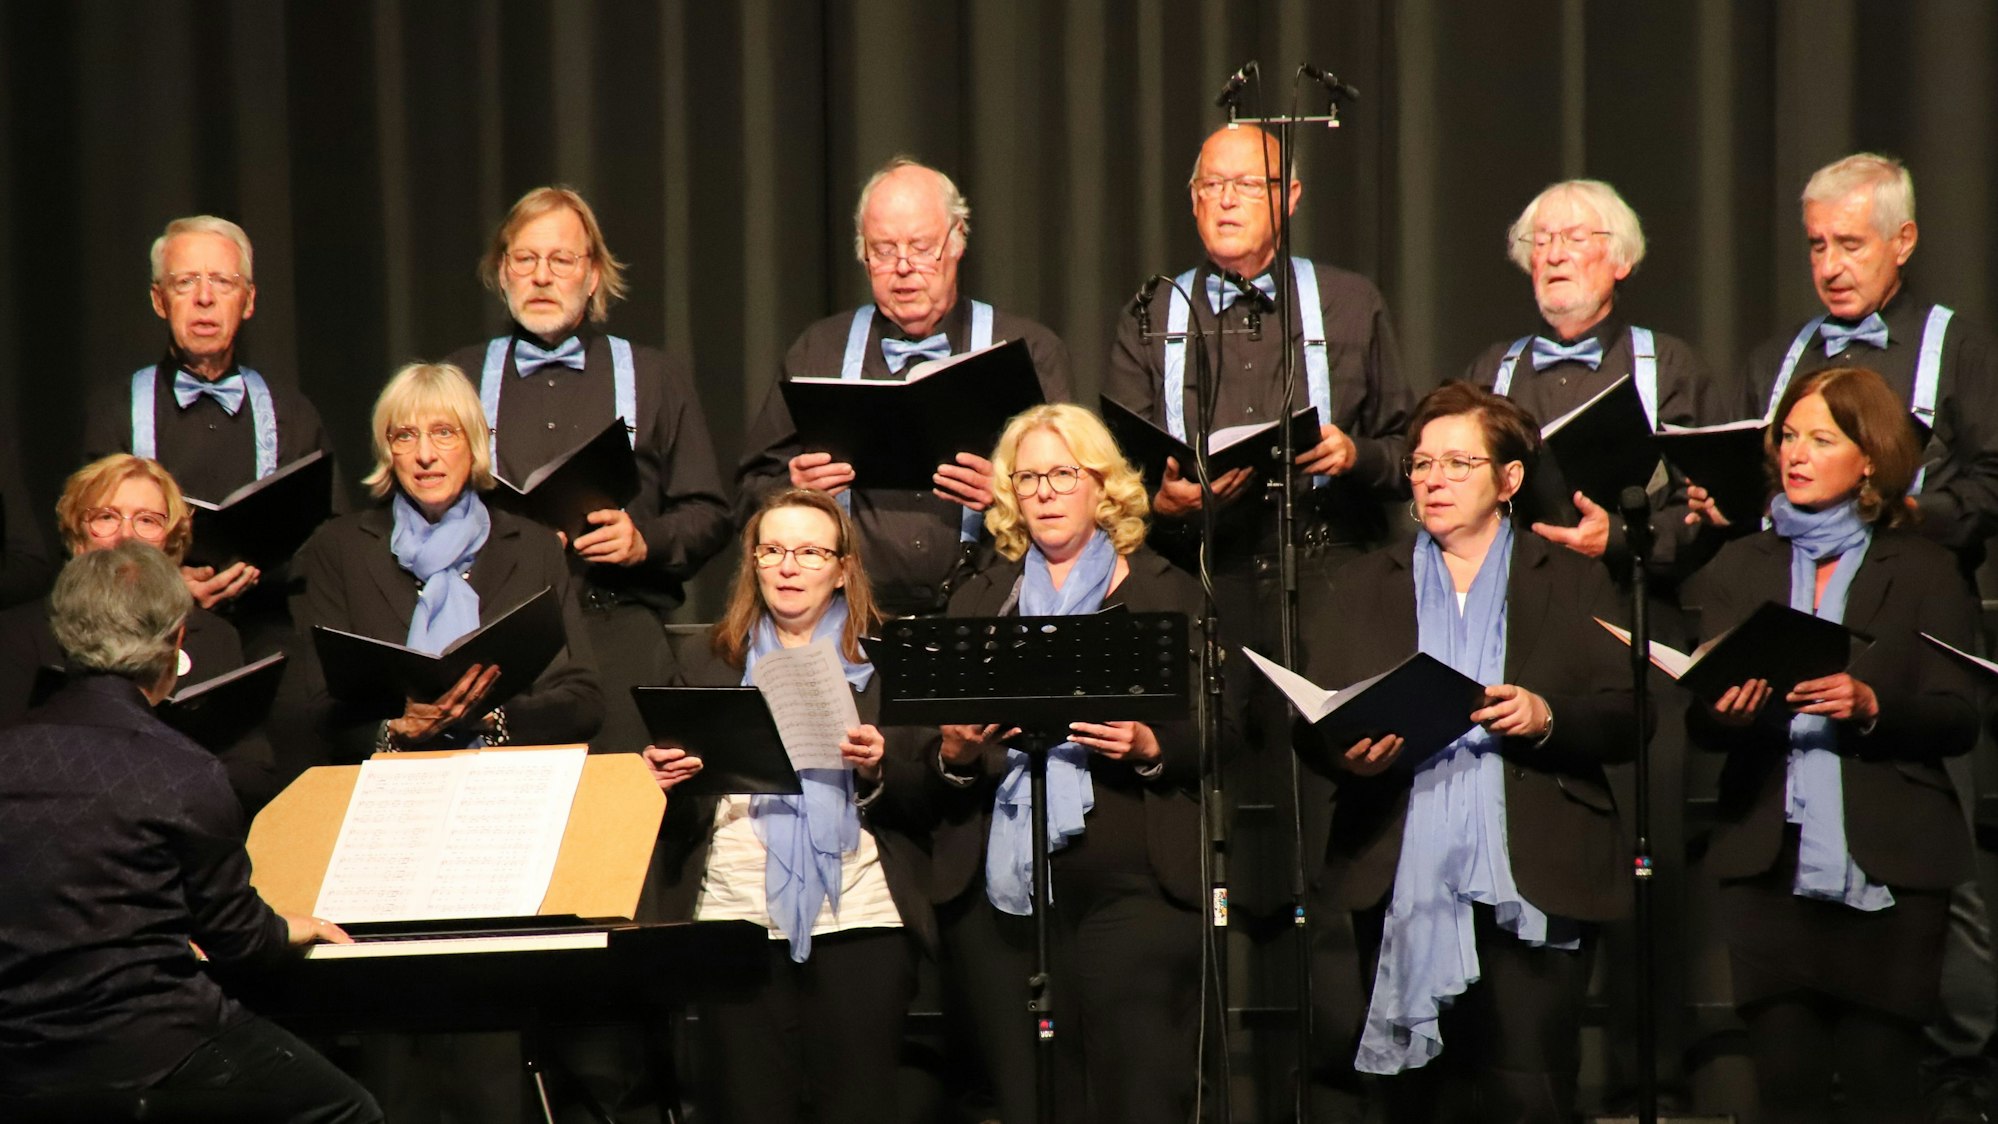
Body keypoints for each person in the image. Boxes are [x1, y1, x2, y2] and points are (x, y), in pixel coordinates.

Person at [1297, 382, 1635, 1121]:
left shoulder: (1573, 579)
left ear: (1509, 479)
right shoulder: (1361, 585)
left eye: (1458, 462)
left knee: (1529, 1092)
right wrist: (1348, 751)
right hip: (1394, 868)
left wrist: (1546, 715)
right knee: (1412, 1103)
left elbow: (1626, 715)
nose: (1434, 479)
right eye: (1421, 464)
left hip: (1532, 870)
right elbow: (1316, 719)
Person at [1739, 152, 1998, 1116]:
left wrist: (1901, 511)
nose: (1832, 265)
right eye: (1817, 246)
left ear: (1905, 241)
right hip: (1796, 613)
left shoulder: (1952, 347)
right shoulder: (1782, 356)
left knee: (1932, 855)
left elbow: (1994, 481)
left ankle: (1956, 1073)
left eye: (1851, 243)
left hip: (1911, 619)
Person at [1683, 366, 1980, 1123]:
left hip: (1888, 867)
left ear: (1871, 458)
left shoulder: (1924, 568)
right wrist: (1727, 708)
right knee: (1788, 1093)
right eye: (1788, 437)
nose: (1797, 453)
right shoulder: (1737, 567)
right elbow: (1699, 723)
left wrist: (1871, 702)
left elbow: (1958, 714)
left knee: (1884, 1088)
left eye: (1822, 438)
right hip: (1766, 867)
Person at [0, 542, 378, 1122]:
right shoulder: (183, 769)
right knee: (349, 1109)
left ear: (65, 637)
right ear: (176, 642)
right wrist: (286, 928)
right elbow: (240, 943)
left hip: (19, 1056)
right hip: (150, 1048)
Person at [924, 403, 1203, 1123]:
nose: (1044, 491)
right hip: (1003, 904)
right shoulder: (979, 599)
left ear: (1102, 486)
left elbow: (1228, 726)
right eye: (1028, 478)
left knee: (1135, 1097)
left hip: (1134, 890)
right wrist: (954, 755)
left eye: (1062, 474)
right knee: (1029, 1100)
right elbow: (923, 754)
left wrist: (1148, 744)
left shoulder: (1166, 589)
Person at [642, 488, 931, 1124]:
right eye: (772, 551)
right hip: (735, 917)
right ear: (753, 564)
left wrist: (881, 763)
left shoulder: (888, 663)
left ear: (843, 568)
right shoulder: (706, 660)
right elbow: (674, 807)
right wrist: (663, 781)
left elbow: (936, 789)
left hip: (859, 916)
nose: (789, 566)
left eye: (808, 551)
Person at [446, 186, 730, 755]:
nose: (542, 277)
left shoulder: (654, 376)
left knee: (620, 825)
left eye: (561, 260)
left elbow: (710, 514)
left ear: (594, 274)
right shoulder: (459, 378)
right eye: (525, 259)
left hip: (617, 629)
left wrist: (642, 540)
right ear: (503, 272)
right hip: (501, 639)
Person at [737, 156, 1075, 618]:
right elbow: (752, 489)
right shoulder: (818, 350)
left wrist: (1008, 493)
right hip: (848, 620)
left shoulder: (1030, 349)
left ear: (957, 241)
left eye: (920, 247)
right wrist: (795, 494)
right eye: (883, 249)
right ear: (863, 254)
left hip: (995, 614)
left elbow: (1081, 495)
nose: (902, 267)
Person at [287, 361, 601, 761]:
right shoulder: (340, 549)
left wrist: (491, 719)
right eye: (405, 436)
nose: (424, 455)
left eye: (443, 433)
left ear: (473, 444)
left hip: (508, 779)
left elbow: (583, 699)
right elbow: (319, 708)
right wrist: (397, 731)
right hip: (387, 783)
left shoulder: (533, 547)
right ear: (388, 451)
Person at [84, 215, 342, 643]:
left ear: (248, 300)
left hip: (268, 635)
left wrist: (262, 571)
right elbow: (83, 544)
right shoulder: (114, 413)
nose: (205, 298)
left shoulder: (293, 413)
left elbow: (331, 542)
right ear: (159, 299)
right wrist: (163, 582)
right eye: (185, 282)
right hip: (142, 639)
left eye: (223, 282)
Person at [1466, 179, 1734, 581]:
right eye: (1541, 242)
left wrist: (1622, 536)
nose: (1555, 255)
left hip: (1631, 602)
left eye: (1575, 238)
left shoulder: (1670, 366)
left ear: (1620, 261)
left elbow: (1707, 508)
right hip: (1516, 600)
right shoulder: (1491, 369)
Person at [0, 454, 278, 812]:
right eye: (106, 517)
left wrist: (163, 790)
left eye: (147, 520)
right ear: (78, 538)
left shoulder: (212, 636)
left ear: (171, 544)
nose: (126, 534)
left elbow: (253, 774)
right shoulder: (17, 635)